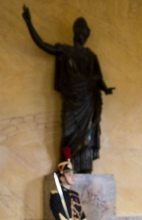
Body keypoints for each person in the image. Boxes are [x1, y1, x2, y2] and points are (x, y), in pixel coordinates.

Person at [22, 6, 114, 173]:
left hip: (87, 101)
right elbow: (43, 45)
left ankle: (84, 168)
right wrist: (29, 23)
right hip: (72, 100)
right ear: (75, 33)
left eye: (86, 35)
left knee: (86, 135)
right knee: (68, 131)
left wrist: (105, 89)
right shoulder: (65, 51)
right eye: (81, 33)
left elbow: (97, 78)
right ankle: (65, 169)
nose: (83, 37)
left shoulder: (91, 56)